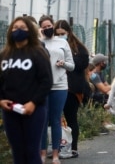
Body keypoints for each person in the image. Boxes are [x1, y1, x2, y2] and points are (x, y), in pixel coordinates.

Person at [0, 16, 53, 164]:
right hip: (10, 110)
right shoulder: (4, 55)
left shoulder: (38, 53)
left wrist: (33, 103)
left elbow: (46, 81)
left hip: (33, 110)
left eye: (22, 28)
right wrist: (1, 100)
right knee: (17, 152)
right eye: (15, 28)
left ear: (30, 31)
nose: (18, 31)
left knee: (31, 151)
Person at [39, 15, 75, 164]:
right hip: (42, 86)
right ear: (41, 29)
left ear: (53, 26)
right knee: (42, 120)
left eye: (49, 26)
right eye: (44, 27)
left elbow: (72, 66)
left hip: (60, 86)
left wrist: (63, 64)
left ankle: (55, 154)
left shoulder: (62, 42)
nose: (48, 29)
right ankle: (41, 154)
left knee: (55, 120)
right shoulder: (38, 43)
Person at [54, 20, 89, 158]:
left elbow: (82, 64)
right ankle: (56, 147)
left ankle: (72, 147)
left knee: (71, 118)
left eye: (63, 34)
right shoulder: (51, 45)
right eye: (58, 34)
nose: (61, 36)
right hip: (56, 85)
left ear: (68, 33)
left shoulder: (78, 48)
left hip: (72, 88)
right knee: (54, 119)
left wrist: (67, 61)